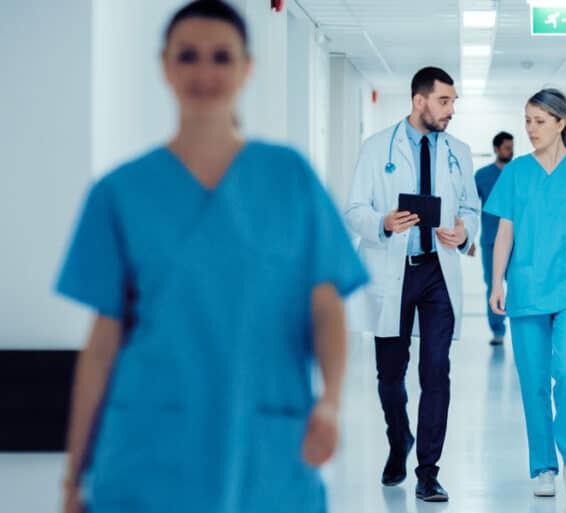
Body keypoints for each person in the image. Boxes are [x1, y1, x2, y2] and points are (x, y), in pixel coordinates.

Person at [56, 2, 368, 513]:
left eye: (221, 57)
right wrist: (74, 474)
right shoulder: (121, 192)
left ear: (247, 67)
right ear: (165, 66)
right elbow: (103, 340)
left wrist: (330, 402)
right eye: (189, 56)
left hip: (265, 439)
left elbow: (326, 305)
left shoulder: (289, 178)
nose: (205, 73)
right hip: (147, 445)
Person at [345, 66, 479, 502]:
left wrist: (464, 233)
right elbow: (354, 211)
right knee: (390, 376)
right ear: (419, 100)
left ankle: (427, 471)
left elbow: (471, 210)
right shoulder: (376, 148)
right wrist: (382, 223)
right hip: (393, 269)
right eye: (445, 101)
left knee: (436, 371)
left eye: (454, 102)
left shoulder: (459, 151)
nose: (451, 110)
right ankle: (399, 440)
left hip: (438, 272)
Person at [485, 89, 566, 497]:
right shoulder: (516, 173)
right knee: (534, 381)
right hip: (526, 288)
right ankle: (543, 466)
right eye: (527, 121)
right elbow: (504, 232)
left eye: (539, 121)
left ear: (561, 123)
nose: (530, 130)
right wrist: (496, 282)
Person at [474, 131, 515, 345]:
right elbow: (470, 209)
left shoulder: (520, 173)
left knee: (518, 284)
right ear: (497, 149)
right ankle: (497, 330)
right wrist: (468, 239)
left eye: (512, 147)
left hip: (518, 242)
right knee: (493, 285)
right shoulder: (482, 176)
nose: (511, 151)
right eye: (507, 148)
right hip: (490, 241)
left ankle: (520, 328)